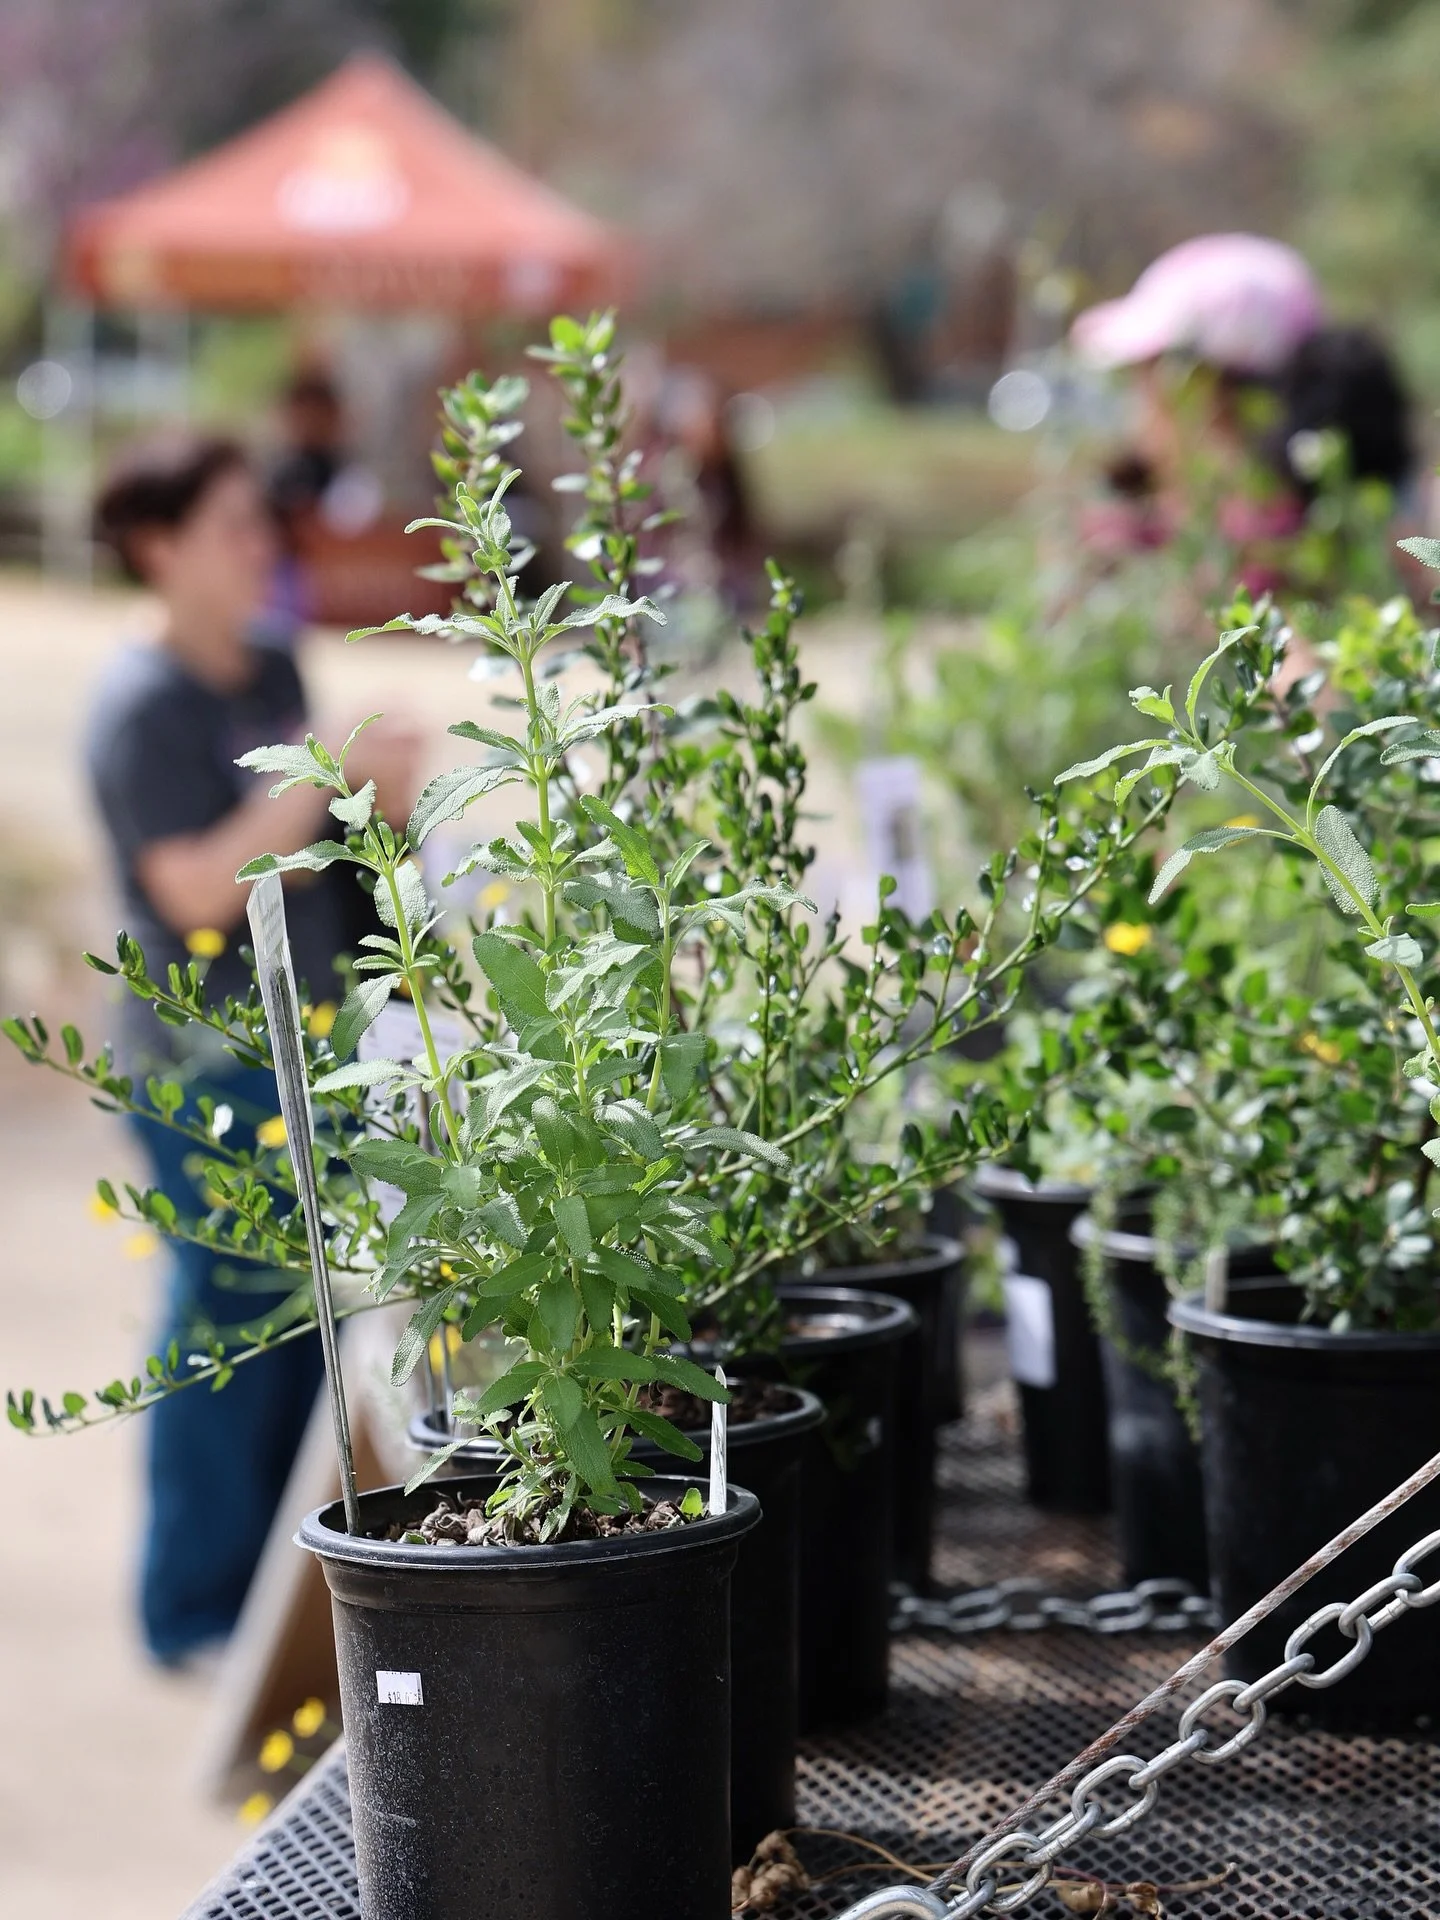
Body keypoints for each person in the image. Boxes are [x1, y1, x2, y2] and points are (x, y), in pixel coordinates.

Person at [88, 433, 419, 1664]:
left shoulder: (273, 662)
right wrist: (325, 769)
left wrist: (377, 807)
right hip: (199, 1059)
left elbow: (305, 848)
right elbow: (192, 890)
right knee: (225, 1322)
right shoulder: (140, 706)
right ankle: (193, 1613)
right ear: (157, 549)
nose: (257, 542)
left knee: (303, 1328)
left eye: (256, 519)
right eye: (228, 523)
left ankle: (273, 1611)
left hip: (313, 1045)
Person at [1069, 234, 1417, 593]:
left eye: (1145, 376)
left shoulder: (1271, 560)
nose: (1137, 405)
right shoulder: (1346, 526)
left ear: (1205, 390)